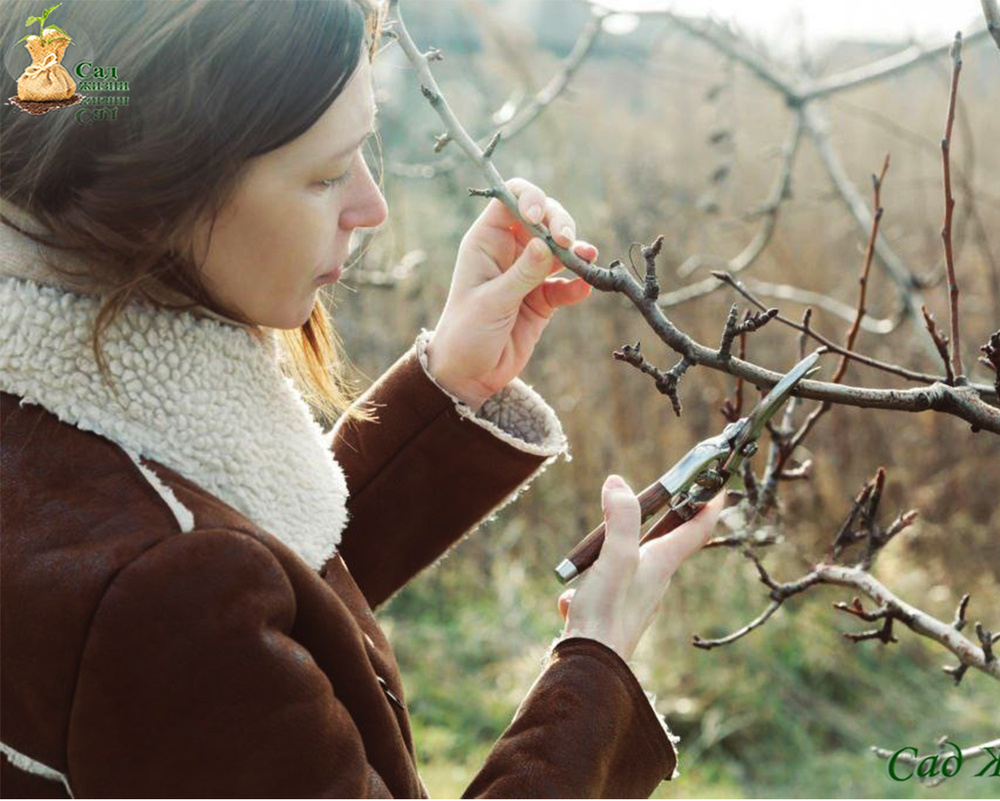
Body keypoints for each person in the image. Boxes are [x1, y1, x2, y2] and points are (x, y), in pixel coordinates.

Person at [0, 1, 725, 797]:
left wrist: (450, 386)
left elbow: (260, 614)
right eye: (325, 173)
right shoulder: (160, 587)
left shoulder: (62, 425)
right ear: (161, 182)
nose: (371, 207)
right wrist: (598, 668)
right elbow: (202, 611)